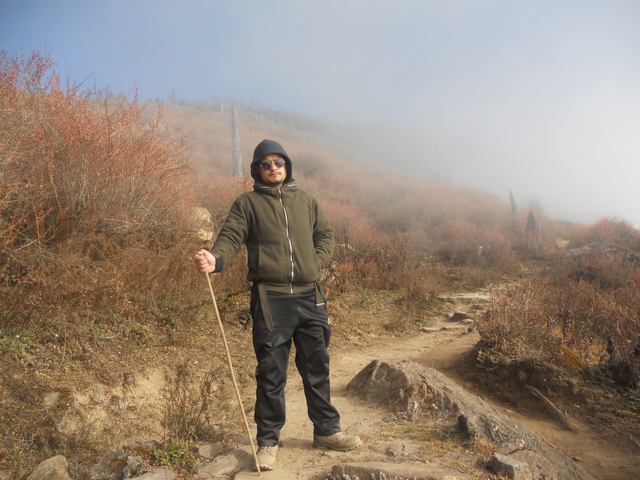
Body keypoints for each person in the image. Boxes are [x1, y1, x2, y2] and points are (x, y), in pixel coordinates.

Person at [194, 139, 362, 471]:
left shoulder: (307, 201)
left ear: (287, 166)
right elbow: (230, 237)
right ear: (257, 169)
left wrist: (314, 263)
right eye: (266, 163)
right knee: (271, 373)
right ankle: (268, 441)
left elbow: (325, 235)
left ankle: (327, 432)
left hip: (310, 295)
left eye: (279, 162)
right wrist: (216, 258)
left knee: (317, 367)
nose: (273, 168)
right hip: (270, 298)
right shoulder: (247, 204)